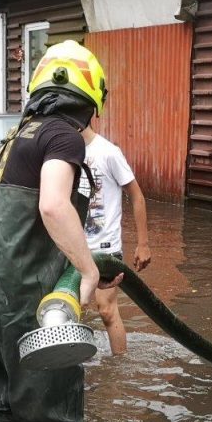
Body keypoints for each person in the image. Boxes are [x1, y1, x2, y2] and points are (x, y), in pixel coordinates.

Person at [0, 40, 120, 422]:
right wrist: (87, 271)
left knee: (6, 400)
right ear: (90, 99)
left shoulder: (16, 138)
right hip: (30, 304)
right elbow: (53, 205)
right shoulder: (62, 136)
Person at [78, 122, 152, 355]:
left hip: (105, 247)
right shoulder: (63, 152)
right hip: (73, 246)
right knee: (72, 308)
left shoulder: (108, 152)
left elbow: (136, 196)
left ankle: (119, 368)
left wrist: (143, 244)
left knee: (107, 310)